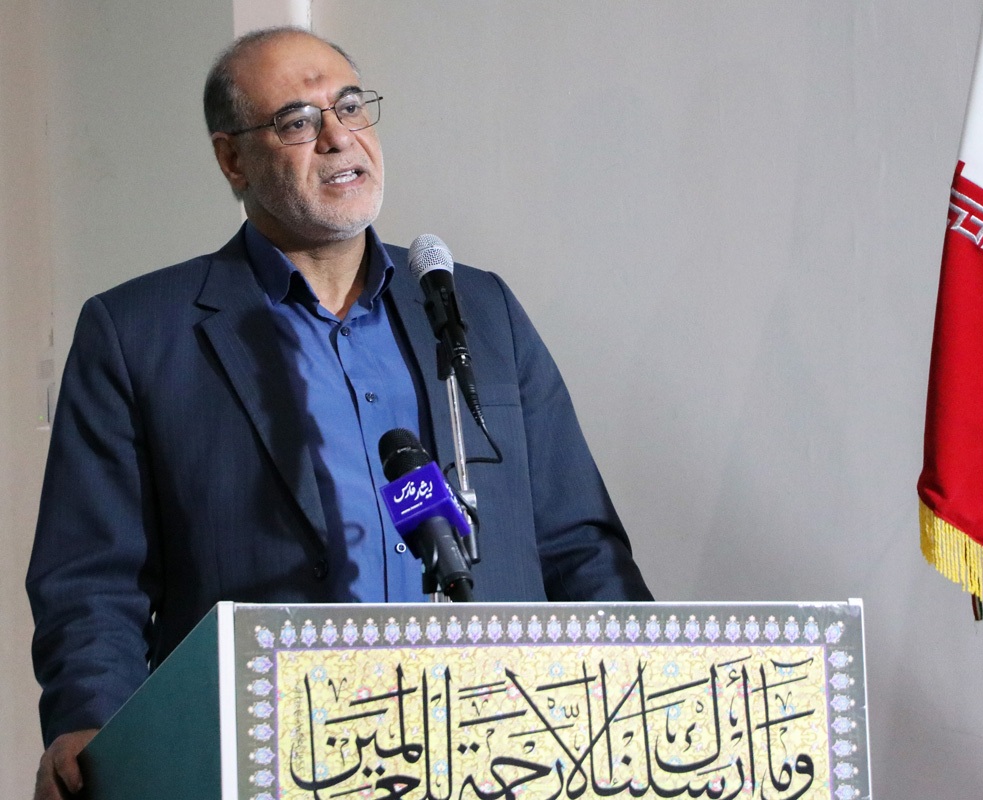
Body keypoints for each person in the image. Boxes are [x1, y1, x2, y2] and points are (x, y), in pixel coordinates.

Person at [26, 26, 652, 800]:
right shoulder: (140, 334)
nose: (337, 138)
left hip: (497, 745)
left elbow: (579, 545)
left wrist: (643, 697)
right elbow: (93, 579)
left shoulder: (476, 309)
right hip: (267, 754)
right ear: (232, 159)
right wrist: (95, 728)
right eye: (297, 120)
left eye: (350, 107)